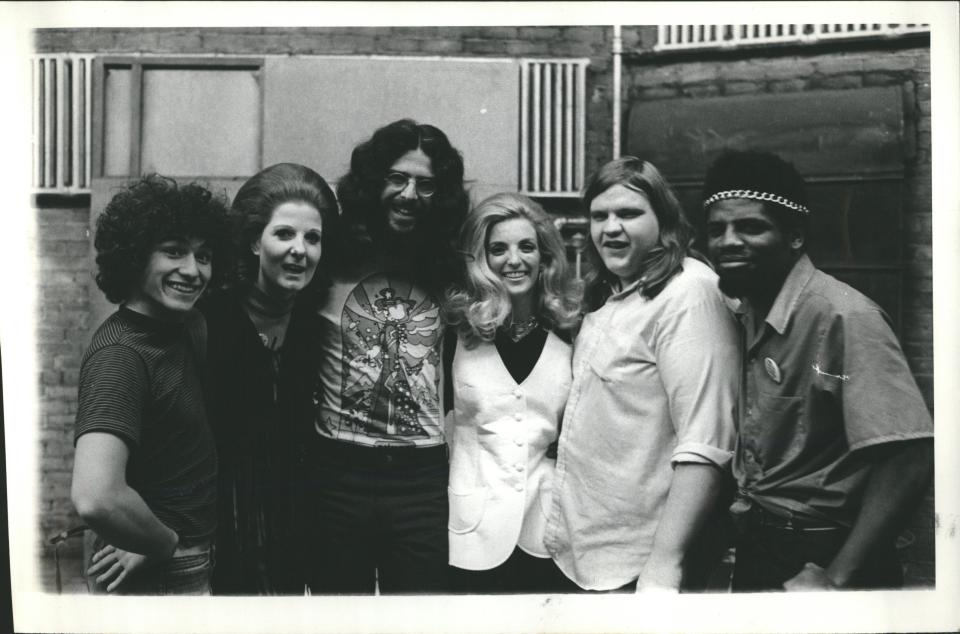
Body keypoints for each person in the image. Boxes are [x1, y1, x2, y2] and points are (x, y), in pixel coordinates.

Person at [702, 149, 934, 591]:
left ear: (794, 236)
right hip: (760, 547)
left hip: (824, 556)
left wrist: (836, 576)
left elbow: (909, 453)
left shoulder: (842, 316)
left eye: (751, 226)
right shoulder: (746, 307)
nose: (729, 241)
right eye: (717, 229)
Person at [542, 157, 739, 593]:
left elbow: (706, 442)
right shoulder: (612, 292)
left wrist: (665, 564)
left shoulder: (689, 292)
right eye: (599, 216)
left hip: (644, 559)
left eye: (629, 214)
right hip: (588, 548)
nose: (610, 228)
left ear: (663, 220)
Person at [306, 119, 469, 594]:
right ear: (373, 181)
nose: (409, 194)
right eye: (397, 178)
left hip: (420, 478)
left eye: (425, 184)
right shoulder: (330, 255)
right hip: (338, 472)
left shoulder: (447, 264)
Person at [70, 175, 231, 594]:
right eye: (174, 251)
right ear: (136, 254)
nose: (193, 270)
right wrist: (162, 542)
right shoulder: (121, 354)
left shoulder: (184, 324)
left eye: (204, 255)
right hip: (163, 570)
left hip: (187, 557)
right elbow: (96, 495)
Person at [200, 163, 338, 595]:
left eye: (312, 238)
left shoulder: (317, 334)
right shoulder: (208, 322)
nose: (301, 250)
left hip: (291, 542)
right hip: (216, 540)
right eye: (284, 234)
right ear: (254, 243)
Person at [442, 193, 581, 593]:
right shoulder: (456, 329)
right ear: (481, 259)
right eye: (498, 249)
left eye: (526, 247)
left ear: (545, 256)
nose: (514, 260)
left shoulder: (571, 330)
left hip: (547, 529)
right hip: (470, 530)